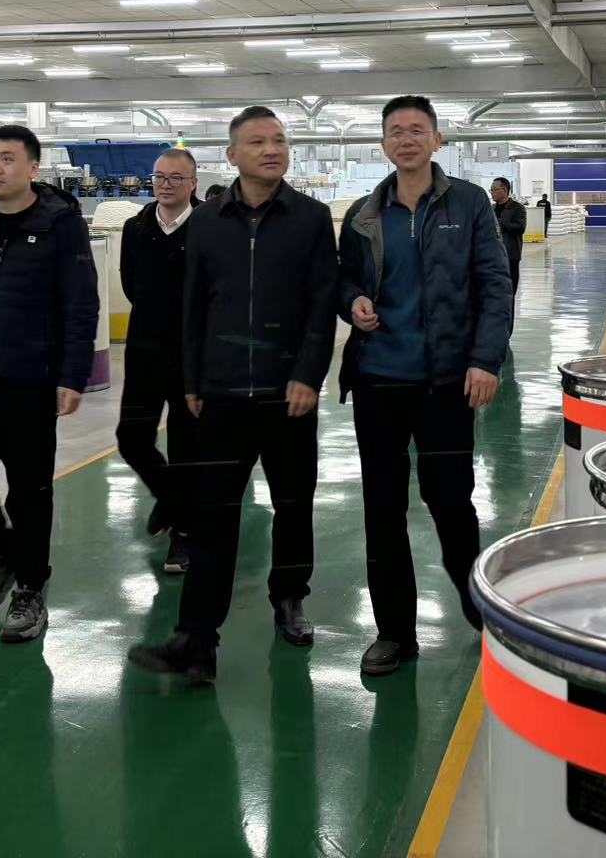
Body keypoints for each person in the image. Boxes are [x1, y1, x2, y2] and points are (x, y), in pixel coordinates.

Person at [128, 106, 337, 683]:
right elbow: (193, 304)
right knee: (212, 516)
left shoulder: (311, 218)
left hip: (287, 394)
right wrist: (193, 380)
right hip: (219, 395)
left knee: (292, 504)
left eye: (280, 140)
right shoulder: (208, 222)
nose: (272, 149)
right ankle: (196, 641)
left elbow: (321, 302)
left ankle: (289, 597)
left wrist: (308, 375)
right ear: (233, 155)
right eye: (258, 142)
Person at [337, 96, 512, 676]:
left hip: (445, 383)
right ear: (383, 144)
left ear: (437, 140)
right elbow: (345, 281)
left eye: (417, 130)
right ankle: (394, 632)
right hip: (378, 383)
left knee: (451, 503)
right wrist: (352, 302)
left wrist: (485, 360)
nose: (406, 139)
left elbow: (494, 282)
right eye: (395, 131)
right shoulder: (364, 212)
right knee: (382, 509)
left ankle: (482, 612)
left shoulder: (468, 202)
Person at [0, 125, 99, 643]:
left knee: (30, 492)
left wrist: (72, 375)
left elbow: (81, 303)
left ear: (32, 168)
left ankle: (30, 588)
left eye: (7, 158)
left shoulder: (60, 225)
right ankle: (6, 554)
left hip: (32, 379)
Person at [116, 148, 200, 574]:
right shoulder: (136, 228)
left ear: (193, 184)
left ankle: (184, 536)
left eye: (176, 178)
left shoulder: (209, 228)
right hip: (144, 353)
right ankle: (170, 499)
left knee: (186, 447)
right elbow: (131, 285)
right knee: (131, 438)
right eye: (160, 177)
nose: (165, 185)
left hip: (191, 357)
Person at [491, 177, 527, 296]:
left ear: (505, 190)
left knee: (509, 292)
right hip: (493, 256)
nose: (492, 192)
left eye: (495, 189)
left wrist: (502, 224)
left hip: (511, 255)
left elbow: (520, 227)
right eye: (491, 190)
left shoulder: (517, 208)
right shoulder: (491, 209)